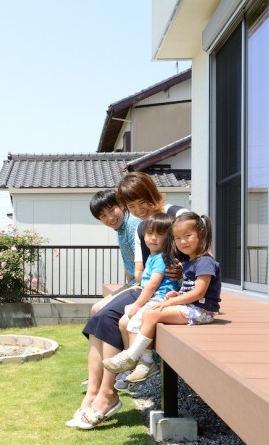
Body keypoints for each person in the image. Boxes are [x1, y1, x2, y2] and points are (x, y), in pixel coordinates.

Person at [68, 172, 188, 429]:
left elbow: (203, 256)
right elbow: (139, 273)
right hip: (149, 288)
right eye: (131, 206)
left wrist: (184, 273)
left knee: (110, 316)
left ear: (152, 192)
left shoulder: (178, 215)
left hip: (173, 294)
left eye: (139, 202)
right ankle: (95, 392)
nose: (137, 209)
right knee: (99, 316)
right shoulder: (142, 226)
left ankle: (107, 395)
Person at [103, 211, 221, 376]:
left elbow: (198, 292)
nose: (183, 242)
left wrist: (170, 302)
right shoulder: (190, 261)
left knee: (151, 314)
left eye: (187, 235)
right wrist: (176, 295)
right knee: (148, 314)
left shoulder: (205, 262)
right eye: (178, 238)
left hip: (202, 312)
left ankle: (132, 356)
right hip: (191, 307)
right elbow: (189, 288)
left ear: (201, 234)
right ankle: (144, 360)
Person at [116, 212, 178, 348]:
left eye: (159, 234)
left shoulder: (162, 257)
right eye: (149, 233)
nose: (153, 238)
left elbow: (153, 284)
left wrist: (138, 305)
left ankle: (142, 361)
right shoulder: (153, 256)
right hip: (152, 297)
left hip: (160, 299)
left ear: (169, 238)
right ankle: (129, 361)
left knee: (132, 324)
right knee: (123, 323)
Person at [87, 189, 141, 317]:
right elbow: (129, 262)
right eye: (103, 216)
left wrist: (131, 286)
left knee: (98, 309)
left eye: (111, 210)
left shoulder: (132, 224)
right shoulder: (120, 228)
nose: (110, 218)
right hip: (134, 283)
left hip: (144, 284)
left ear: (121, 205)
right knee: (96, 309)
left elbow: (141, 263)